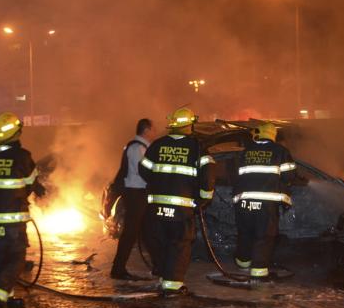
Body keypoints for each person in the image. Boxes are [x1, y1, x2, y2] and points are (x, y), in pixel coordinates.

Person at [0, 112, 46, 308]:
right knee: (16, 258)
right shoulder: (22, 156)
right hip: (12, 218)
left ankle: (5, 298)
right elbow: (31, 184)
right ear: (16, 134)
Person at [139, 107, 215, 296]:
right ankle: (172, 285)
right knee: (179, 244)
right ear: (189, 125)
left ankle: (163, 276)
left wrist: (160, 183)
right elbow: (208, 177)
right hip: (182, 210)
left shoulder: (157, 145)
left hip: (156, 208)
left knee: (160, 242)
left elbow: (144, 171)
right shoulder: (197, 148)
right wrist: (204, 199)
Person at [232, 122, 296, 282]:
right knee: (264, 236)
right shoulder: (280, 151)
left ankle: (243, 263)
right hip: (267, 204)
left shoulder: (245, 151)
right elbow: (289, 177)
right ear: (272, 135)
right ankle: (259, 272)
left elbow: (235, 175)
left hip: (244, 202)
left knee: (245, 232)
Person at [110, 118, 156, 280]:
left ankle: (158, 266)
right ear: (146, 130)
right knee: (130, 233)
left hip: (138, 193)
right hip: (136, 193)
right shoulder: (138, 148)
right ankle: (118, 269)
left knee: (147, 230)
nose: (154, 133)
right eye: (153, 130)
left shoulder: (140, 147)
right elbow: (141, 171)